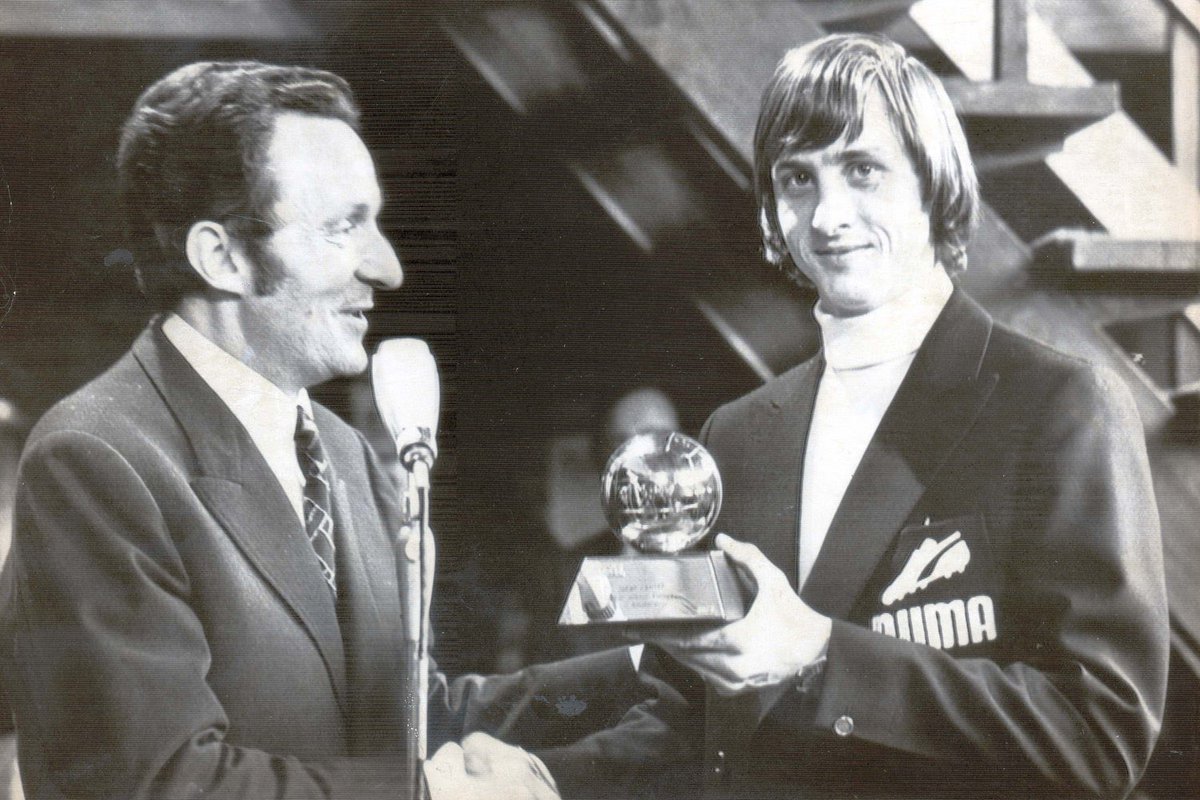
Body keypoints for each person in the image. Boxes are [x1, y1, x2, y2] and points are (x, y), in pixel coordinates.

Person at [0, 61, 685, 800]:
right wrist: (432, 796)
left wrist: (659, 664)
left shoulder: (342, 451)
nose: (387, 268)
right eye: (344, 227)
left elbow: (410, 724)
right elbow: (164, 781)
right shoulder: (94, 462)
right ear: (221, 257)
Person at [635, 34, 1170, 799]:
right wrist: (539, 774)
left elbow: (1100, 736)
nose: (828, 215)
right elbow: (688, 720)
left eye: (863, 169)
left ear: (933, 181)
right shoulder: (738, 434)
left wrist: (823, 653)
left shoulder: (1058, 406)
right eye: (797, 178)